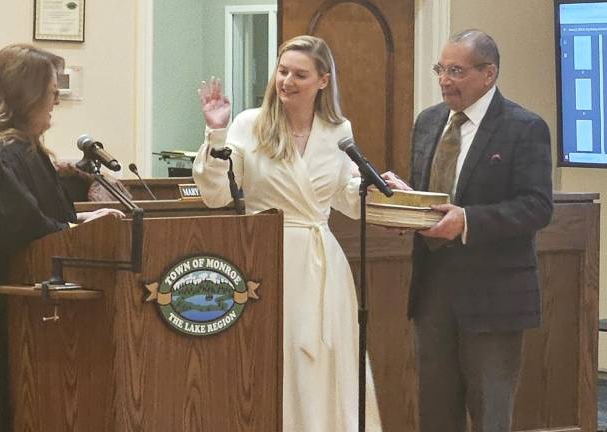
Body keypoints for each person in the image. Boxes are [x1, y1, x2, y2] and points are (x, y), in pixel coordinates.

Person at [0, 44, 122, 432]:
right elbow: (16, 233)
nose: (56, 100)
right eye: (51, 91)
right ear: (25, 94)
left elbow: (40, 220)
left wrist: (81, 221)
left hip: (29, 320)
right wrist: (76, 229)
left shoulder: (24, 152)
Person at [193, 35, 383, 432]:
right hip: (268, 258)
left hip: (322, 261)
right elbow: (217, 196)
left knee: (325, 358)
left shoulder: (338, 130)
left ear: (323, 81)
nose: (287, 82)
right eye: (282, 72)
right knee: (275, 358)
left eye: (300, 74)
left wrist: (369, 188)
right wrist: (215, 135)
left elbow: (345, 201)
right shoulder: (249, 124)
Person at [383, 29, 553, 432]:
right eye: (440, 69)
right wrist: (408, 207)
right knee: (436, 413)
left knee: (490, 413)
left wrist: (468, 220)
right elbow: (433, 196)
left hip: (494, 298)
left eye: (456, 71)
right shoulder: (428, 122)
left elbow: (537, 206)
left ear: (488, 73)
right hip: (433, 291)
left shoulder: (524, 127)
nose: (444, 79)